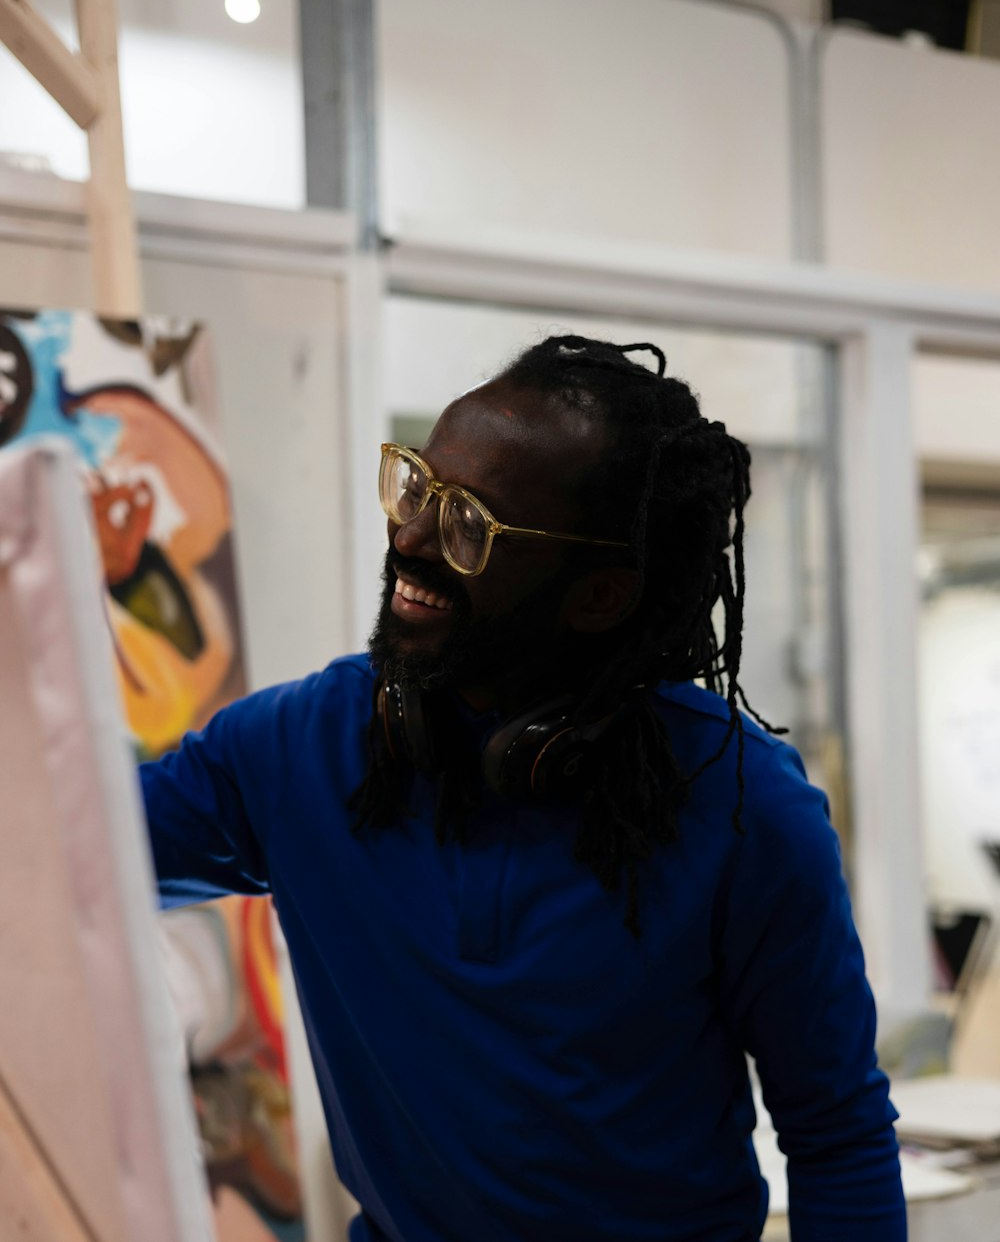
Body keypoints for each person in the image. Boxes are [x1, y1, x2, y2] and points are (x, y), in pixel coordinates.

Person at [141, 335, 906, 1242]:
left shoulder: (741, 805)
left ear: (599, 595)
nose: (412, 538)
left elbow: (837, 1133)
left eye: (471, 525)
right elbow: (59, 848)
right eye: (417, 487)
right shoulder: (295, 749)